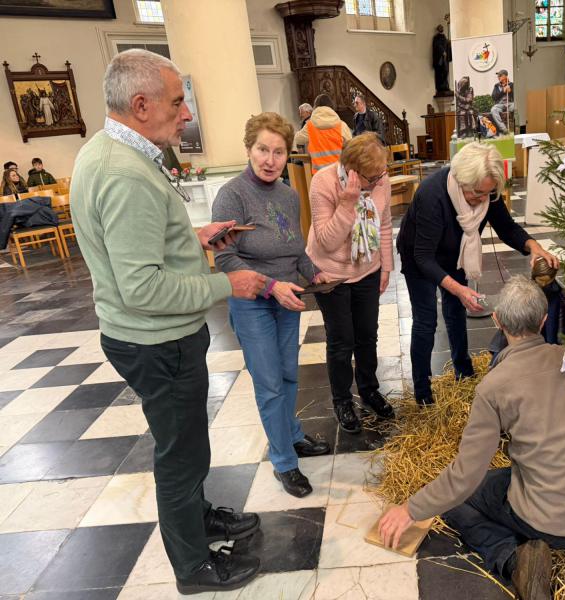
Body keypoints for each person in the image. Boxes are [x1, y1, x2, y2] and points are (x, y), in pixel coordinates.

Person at [70, 49, 266, 595]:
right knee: (180, 456)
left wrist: (192, 239)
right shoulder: (124, 173)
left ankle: (197, 518)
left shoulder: (109, 151)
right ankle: (193, 567)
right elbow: (143, 287)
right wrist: (229, 283)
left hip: (153, 337)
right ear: (140, 105)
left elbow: (133, 248)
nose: (186, 114)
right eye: (178, 102)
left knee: (187, 444)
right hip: (156, 341)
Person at [379, 276, 565, 600]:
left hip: (553, 524)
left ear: (497, 321)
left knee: (459, 502)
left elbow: (465, 476)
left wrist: (411, 509)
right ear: (543, 321)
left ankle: (514, 561)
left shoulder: (495, 387)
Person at [212, 111, 332, 498]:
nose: (270, 159)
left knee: (288, 375)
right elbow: (225, 260)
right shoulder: (232, 195)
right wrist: (271, 286)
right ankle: (283, 461)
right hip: (253, 303)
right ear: (249, 149)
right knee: (269, 384)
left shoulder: (289, 194)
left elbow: (295, 248)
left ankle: (292, 434)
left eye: (278, 152)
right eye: (263, 149)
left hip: (287, 299)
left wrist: (313, 273)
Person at [395, 142, 559, 405]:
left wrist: (533, 247)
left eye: (488, 193)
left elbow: (506, 227)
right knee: (426, 321)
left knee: (456, 310)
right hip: (419, 257)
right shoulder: (432, 194)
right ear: (461, 180)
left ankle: (463, 369)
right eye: (477, 193)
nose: (483, 199)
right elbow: (423, 258)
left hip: (456, 253)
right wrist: (459, 289)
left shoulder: (487, 191)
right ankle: (422, 391)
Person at [305, 132, 395, 433]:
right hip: (330, 273)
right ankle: (342, 400)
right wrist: (347, 203)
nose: (379, 180)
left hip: (367, 269)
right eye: (372, 176)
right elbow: (327, 241)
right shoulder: (323, 182)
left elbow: (384, 224)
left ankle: (369, 390)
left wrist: (385, 267)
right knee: (342, 340)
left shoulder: (381, 180)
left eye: (381, 174)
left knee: (367, 334)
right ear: (352, 172)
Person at [293, 94, 352, 174]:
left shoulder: (309, 126)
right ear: (331, 107)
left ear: (315, 107)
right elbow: (351, 148)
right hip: (339, 172)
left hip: (319, 173)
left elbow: (297, 139)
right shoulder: (342, 125)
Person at [490, 70, 515, 134]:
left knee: (515, 106)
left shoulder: (511, 84)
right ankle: (504, 129)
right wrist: (503, 91)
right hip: (500, 105)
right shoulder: (496, 86)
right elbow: (494, 97)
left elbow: (516, 97)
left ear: (505, 76)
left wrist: (511, 91)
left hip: (510, 104)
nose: (498, 77)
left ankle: (515, 127)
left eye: (500, 76)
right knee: (493, 109)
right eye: (498, 76)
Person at [432, 24, 452, 94]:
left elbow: (446, 45)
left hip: (445, 59)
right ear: (438, 29)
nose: (441, 28)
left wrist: (449, 43)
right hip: (440, 60)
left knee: (446, 72)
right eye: (440, 27)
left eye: (442, 27)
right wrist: (442, 51)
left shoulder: (444, 37)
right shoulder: (436, 37)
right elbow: (437, 46)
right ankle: (441, 87)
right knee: (440, 72)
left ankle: (446, 86)